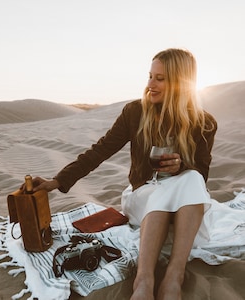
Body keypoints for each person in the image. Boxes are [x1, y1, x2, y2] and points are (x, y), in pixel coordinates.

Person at [24, 48, 217, 300]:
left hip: (182, 205)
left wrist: (182, 167)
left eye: (160, 78)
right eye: (150, 76)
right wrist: (58, 180)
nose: (150, 84)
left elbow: (201, 175)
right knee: (161, 191)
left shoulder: (204, 123)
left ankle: (174, 276)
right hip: (142, 197)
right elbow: (100, 150)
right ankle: (144, 280)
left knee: (190, 178)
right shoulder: (135, 112)